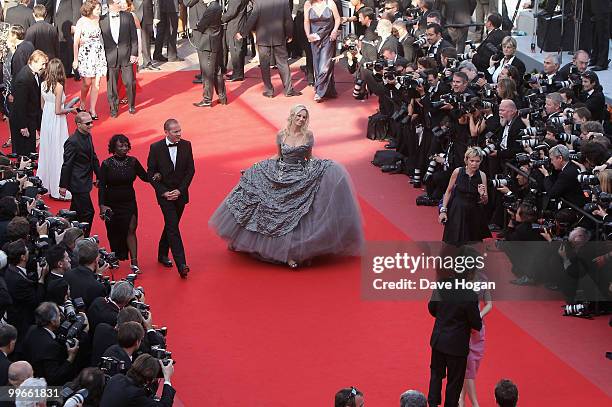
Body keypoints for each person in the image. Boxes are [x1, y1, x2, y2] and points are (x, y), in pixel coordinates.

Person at [209, 105, 364, 268]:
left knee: (295, 213)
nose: (301, 119)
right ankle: (246, 242)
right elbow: (278, 155)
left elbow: (309, 158)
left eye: (304, 117)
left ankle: (291, 253)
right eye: (298, 116)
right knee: (267, 205)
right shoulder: (281, 135)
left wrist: (322, 167)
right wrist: (259, 165)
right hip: (281, 173)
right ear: (292, 116)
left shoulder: (308, 135)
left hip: (299, 174)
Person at [147, 119, 195, 279]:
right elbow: (150, 173)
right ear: (166, 132)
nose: (179, 134)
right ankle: (182, 264)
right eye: (175, 132)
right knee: (173, 227)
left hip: (180, 194)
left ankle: (162, 254)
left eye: (180, 130)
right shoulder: (156, 148)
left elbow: (190, 171)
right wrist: (163, 192)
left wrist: (180, 191)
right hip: (165, 195)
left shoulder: (186, 145)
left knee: (171, 224)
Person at [427, 271, 483, 407]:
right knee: (454, 382)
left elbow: (432, 308)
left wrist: (444, 317)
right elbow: (476, 323)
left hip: (439, 341)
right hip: (457, 347)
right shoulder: (470, 294)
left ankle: (433, 404)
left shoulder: (441, 285)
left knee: (436, 375)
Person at [98, 134, 148, 272]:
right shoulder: (106, 164)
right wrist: (101, 205)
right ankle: (114, 257)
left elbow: (145, 176)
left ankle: (134, 262)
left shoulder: (133, 161)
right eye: (121, 146)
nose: (124, 148)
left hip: (129, 202)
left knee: (131, 229)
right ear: (114, 148)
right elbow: (102, 186)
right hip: (111, 203)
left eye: (126, 145)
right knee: (113, 232)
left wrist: (157, 175)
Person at [237, 0, 302, 98]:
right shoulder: (283, 2)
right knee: (283, 63)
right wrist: (289, 34)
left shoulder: (259, 2)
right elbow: (288, 19)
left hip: (263, 37)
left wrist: (243, 33)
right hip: (279, 36)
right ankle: (288, 90)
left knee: (264, 65)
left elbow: (252, 19)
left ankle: (269, 91)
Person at [37, 58, 76, 200]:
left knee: (48, 150)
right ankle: (58, 188)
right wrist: (71, 109)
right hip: (57, 122)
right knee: (59, 151)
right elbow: (58, 111)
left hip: (46, 121)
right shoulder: (58, 87)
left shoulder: (43, 84)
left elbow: (42, 106)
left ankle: (46, 184)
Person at [59, 112, 101, 236]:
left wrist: (99, 176)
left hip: (84, 179)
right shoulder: (72, 142)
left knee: (75, 211)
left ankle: (67, 234)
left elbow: (93, 157)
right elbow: (67, 164)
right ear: (78, 124)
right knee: (88, 212)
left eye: (91, 122)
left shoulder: (88, 135)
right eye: (87, 123)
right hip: (77, 182)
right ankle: (83, 238)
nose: (91, 125)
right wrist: (63, 185)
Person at [439, 147, 491, 246]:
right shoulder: (457, 172)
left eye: (477, 161)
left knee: (471, 244)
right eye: (472, 161)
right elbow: (448, 191)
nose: (474, 164)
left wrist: (482, 194)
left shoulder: (482, 175)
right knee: (452, 243)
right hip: (456, 210)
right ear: (466, 160)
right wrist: (443, 210)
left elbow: (485, 201)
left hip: (473, 213)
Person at [458, 269, 493, 407]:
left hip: (478, 329)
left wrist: (479, 315)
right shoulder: (459, 280)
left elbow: (489, 304)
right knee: (469, 367)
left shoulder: (483, 279)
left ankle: (461, 397)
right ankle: (475, 404)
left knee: (473, 366)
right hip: (463, 329)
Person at [100, 0, 139, 117]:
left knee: (129, 82)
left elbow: (134, 36)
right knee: (112, 86)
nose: (121, 4)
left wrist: (134, 53)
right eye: (118, 2)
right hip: (110, 56)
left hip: (127, 55)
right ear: (111, 5)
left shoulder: (128, 16)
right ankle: (113, 108)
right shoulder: (102, 20)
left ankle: (131, 105)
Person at [73, 0, 107, 120]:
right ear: (90, 9)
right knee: (87, 83)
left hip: (98, 54)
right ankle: (82, 102)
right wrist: (75, 59)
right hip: (86, 54)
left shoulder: (100, 20)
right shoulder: (81, 21)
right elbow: (76, 41)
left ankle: (92, 109)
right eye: (97, 9)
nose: (99, 11)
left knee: (96, 83)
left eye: (99, 9)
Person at [190, 0, 227, 108]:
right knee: (217, 71)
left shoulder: (211, 8)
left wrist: (198, 23)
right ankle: (222, 97)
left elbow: (201, 25)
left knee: (208, 73)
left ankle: (207, 99)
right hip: (213, 42)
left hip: (208, 44)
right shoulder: (216, 6)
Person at [99, 354, 176, 406]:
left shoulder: (117, 378)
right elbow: (164, 405)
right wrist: (167, 379)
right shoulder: (135, 394)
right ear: (150, 378)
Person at [10, 50, 47, 156]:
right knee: (25, 153)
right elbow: (20, 105)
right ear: (33, 62)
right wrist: (23, 126)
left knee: (30, 150)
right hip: (23, 121)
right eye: (42, 64)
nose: (44, 67)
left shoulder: (34, 73)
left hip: (30, 118)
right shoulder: (23, 79)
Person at [303, 0, 340, 102]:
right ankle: (329, 90)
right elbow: (306, 21)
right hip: (315, 39)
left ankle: (319, 92)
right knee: (317, 64)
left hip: (328, 37)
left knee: (325, 64)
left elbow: (337, 19)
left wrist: (334, 30)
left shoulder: (330, 3)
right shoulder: (308, 4)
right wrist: (308, 35)